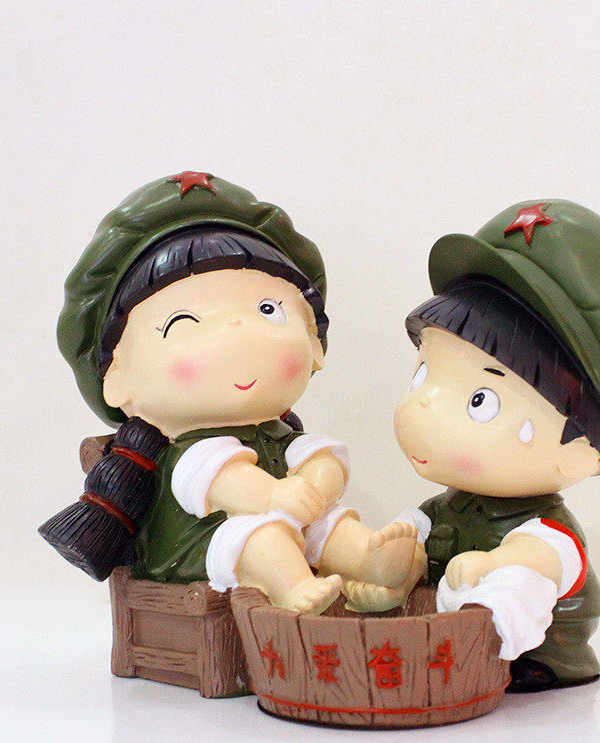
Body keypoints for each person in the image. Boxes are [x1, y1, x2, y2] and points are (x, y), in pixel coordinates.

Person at [40, 172, 419, 614]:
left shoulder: (280, 433)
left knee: (327, 524)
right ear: (117, 378)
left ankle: (370, 560)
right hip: (200, 548)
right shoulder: (187, 451)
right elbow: (230, 483)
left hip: (287, 515)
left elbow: (322, 459)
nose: (241, 332)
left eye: (268, 309)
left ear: (314, 344)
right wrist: (275, 497)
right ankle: (294, 587)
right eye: (184, 323)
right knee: (262, 536)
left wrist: (317, 483)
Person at [388, 200, 600, 691]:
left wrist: (495, 564)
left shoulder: (545, 528)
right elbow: (411, 538)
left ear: (581, 451)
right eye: (423, 373)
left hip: (545, 645)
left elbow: (537, 557)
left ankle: (552, 662)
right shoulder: (446, 507)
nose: (424, 407)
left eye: (480, 401)